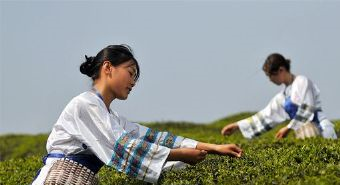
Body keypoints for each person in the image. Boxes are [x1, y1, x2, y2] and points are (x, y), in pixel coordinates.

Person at [32, 45, 243, 185]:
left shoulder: (110, 116)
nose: (133, 82)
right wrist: (180, 155)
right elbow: (122, 145)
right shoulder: (84, 104)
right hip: (58, 179)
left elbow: (155, 138)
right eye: (130, 73)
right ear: (108, 67)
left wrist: (215, 148)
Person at [221, 53, 337, 140]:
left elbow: (307, 108)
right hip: (306, 134)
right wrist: (237, 126)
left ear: (281, 70)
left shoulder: (302, 81)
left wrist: (289, 127)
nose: (270, 80)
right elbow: (265, 116)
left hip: (322, 130)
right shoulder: (282, 96)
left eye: (270, 75)